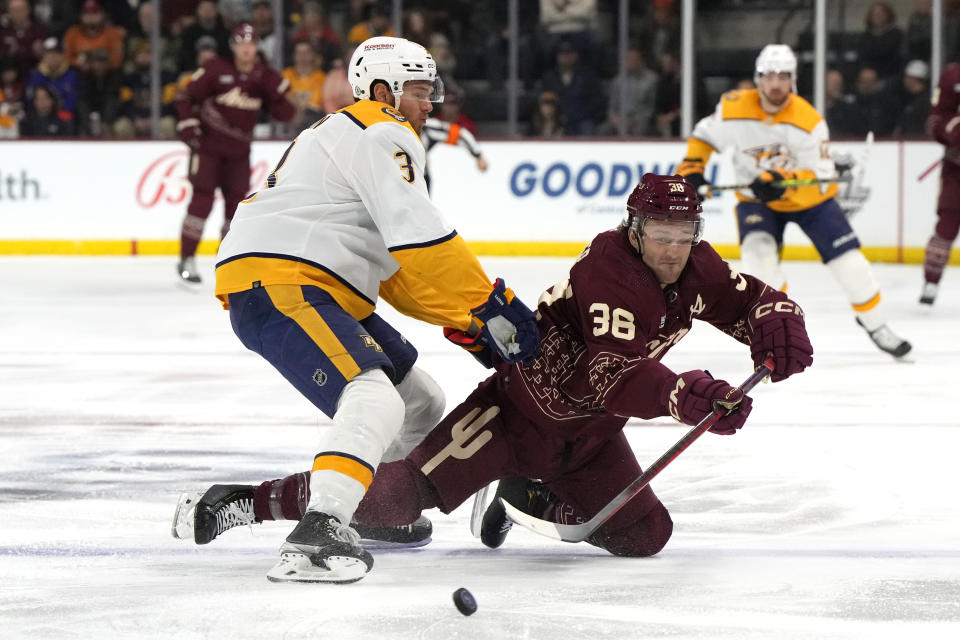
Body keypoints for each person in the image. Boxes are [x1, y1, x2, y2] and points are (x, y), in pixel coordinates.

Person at [171, 173, 813, 569]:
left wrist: (777, 320)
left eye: (685, 233)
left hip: (592, 437)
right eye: (660, 232)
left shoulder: (697, 264)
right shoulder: (609, 274)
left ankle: (524, 493)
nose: (674, 248)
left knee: (647, 534)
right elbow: (608, 377)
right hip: (515, 416)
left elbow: (748, 298)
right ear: (633, 228)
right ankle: (247, 503)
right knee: (394, 501)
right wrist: (684, 394)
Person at [172, 35, 540, 584]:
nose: (429, 103)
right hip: (285, 279)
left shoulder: (354, 134)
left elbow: (397, 270)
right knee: (373, 397)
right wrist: (487, 305)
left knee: (420, 400)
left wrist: (465, 318)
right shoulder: (380, 128)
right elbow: (421, 238)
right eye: (419, 90)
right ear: (384, 90)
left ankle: (375, 509)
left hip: (312, 279)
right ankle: (320, 529)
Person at [677, 44, 911, 358]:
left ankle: (876, 323)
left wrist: (783, 181)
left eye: (783, 76)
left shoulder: (808, 121)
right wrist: (693, 167)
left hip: (811, 202)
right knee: (759, 264)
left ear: (794, 80)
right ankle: (777, 329)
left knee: (852, 266)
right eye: (769, 76)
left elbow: (821, 174)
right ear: (758, 78)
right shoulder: (733, 107)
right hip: (756, 200)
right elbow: (704, 135)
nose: (775, 83)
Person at [172, 23, 294, 285]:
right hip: (208, 150)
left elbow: (285, 114)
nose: (246, 48)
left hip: (239, 153)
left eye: (251, 43)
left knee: (236, 209)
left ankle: (227, 262)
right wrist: (189, 126)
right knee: (201, 202)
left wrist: (281, 95)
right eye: (241, 43)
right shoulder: (216, 69)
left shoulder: (263, 76)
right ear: (233, 45)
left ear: (257, 46)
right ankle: (186, 258)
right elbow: (184, 97)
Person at [920, 61, 960, 305]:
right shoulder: (953, 75)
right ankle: (930, 282)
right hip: (956, 170)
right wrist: (954, 132)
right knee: (947, 223)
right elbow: (936, 120)